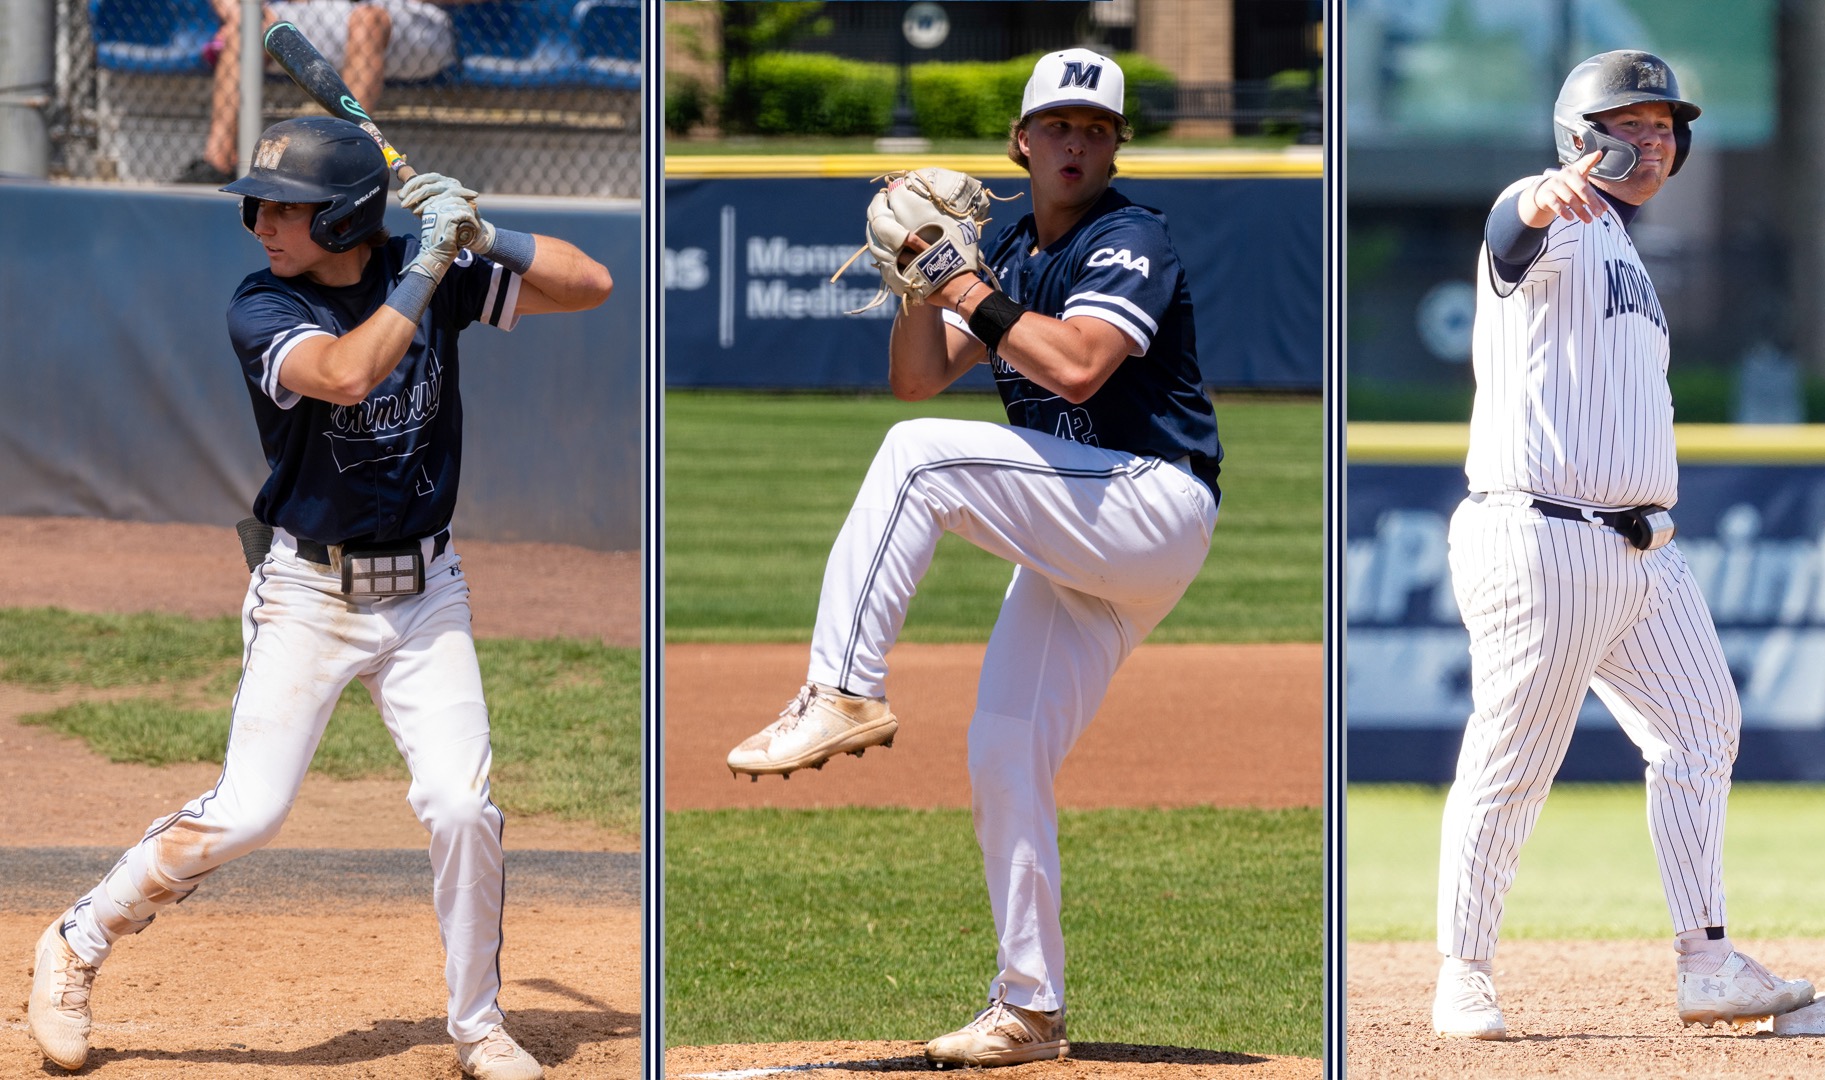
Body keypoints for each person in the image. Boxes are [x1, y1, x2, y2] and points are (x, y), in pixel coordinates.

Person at [27, 115, 611, 1079]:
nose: (261, 221)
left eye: (287, 208)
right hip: (309, 589)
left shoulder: (430, 270)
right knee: (250, 812)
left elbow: (591, 285)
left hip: (429, 591)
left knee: (463, 810)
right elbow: (348, 373)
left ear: (345, 220)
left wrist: (475, 232)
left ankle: (478, 1027)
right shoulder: (261, 303)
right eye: (258, 204)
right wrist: (430, 263)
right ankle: (75, 944)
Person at [722, 48, 1222, 1068]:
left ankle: (844, 688)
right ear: (1022, 142)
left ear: (1114, 146)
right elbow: (916, 378)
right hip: (1078, 539)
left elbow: (1080, 371)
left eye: (1096, 128)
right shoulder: (1008, 251)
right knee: (1002, 750)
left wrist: (963, 282)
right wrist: (922, 277)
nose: (1077, 141)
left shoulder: (1131, 238)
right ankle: (1031, 1007)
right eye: (1059, 125)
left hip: (1149, 503)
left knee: (918, 464)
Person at [1431, 50, 1813, 1039]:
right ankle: (1462, 973)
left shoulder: (1627, 249)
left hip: (1646, 551)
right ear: (1579, 136)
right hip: (1542, 533)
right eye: (1628, 124)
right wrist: (1541, 200)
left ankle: (1710, 963)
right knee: (1515, 760)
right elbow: (1508, 237)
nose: (1651, 142)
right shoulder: (1553, 209)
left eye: (1663, 127)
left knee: (1701, 730)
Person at [177, 0, 460, 184]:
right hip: (316, 13)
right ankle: (216, 162)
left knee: (367, 20)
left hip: (403, 16)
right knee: (245, 27)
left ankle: (341, 162)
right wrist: (237, 15)